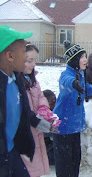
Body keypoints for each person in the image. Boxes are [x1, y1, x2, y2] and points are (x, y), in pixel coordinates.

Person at [53, 41, 92, 177]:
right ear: (74, 60)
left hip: (74, 126)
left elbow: (86, 88)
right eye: (82, 57)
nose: (85, 60)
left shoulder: (81, 73)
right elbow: (66, 81)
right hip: (63, 128)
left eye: (85, 56)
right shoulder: (67, 75)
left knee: (75, 161)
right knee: (64, 165)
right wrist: (73, 83)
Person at [0, 25, 38, 176]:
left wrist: (34, 120)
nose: (27, 57)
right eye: (24, 52)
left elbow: (21, 111)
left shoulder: (16, 79)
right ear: (10, 56)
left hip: (11, 152)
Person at [20, 42, 61, 177]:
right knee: (26, 167)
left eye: (35, 60)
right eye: (29, 61)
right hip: (25, 131)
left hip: (35, 130)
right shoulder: (16, 81)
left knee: (35, 165)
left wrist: (44, 109)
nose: (33, 64)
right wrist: (37, 120)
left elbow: (40, 96)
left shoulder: (33, 80)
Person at [43, 89, 57, 166]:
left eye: (56, 101)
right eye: (52, 103)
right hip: (46, 148)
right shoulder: (41, 115)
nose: (55, 105)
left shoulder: (54, 111)